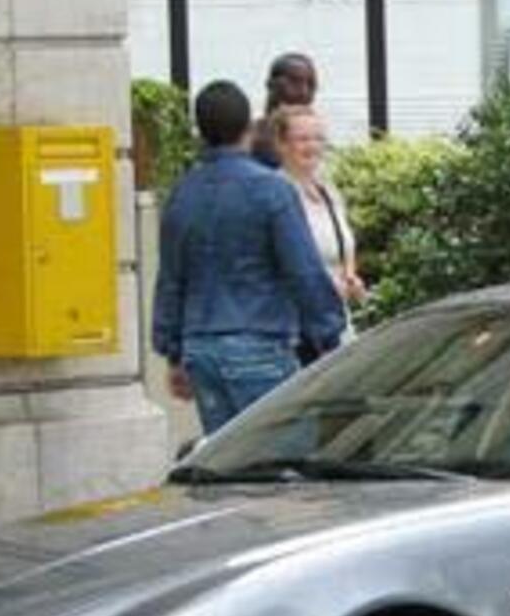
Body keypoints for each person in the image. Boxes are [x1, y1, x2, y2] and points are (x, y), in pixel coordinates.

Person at [153, 80, 346, 434]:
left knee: (228, 466)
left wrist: (172, 351)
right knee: (281, 465)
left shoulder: (183, 193)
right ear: (247, 129)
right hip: (261, 341)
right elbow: (303, 271)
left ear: (200, 131)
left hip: (201, 348)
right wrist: (330, 335)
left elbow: (171, 278)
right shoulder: (271, 190)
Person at [271, 102, 367, 329]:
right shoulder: (275, 194)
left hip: (334, 320)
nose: (312, 146)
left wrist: (351, 279)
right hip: (295, 326)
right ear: (282, 144)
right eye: (302, 139)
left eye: (318, 138)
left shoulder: (329, 191)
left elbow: (344, 251)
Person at [249, 52, 317, 168]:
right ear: (270, 85)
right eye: (295, 82)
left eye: (311, 85)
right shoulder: (248, 138)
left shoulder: (315, 141)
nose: (304, 92)